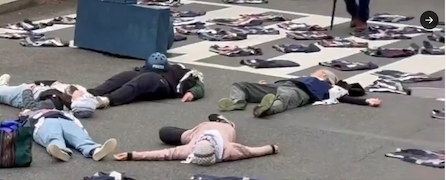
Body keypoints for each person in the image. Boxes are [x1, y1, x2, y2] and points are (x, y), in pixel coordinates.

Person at [217, 69, 382, 118]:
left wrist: (367, 102)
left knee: (283, 99)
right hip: (278, 87)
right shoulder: (301, 78)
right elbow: (281, 84)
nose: (314, 72)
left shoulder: (328, 87)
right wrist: (264, 85)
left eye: (318, 72)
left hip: (299, 93)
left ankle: (265, 109)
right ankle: (237, 101)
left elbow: (345, 98)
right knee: (240, 85)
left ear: (324, 77)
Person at [113, 115, 278, 163]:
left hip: (221, 131)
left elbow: (253, 151)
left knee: (167, 135)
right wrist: (130, 154)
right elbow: (163, 153)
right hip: (197, 131)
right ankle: (220, 121)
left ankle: (222, 121)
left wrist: (271, 148)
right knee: (164, 133)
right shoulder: (190, 148)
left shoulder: (229, 150)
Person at [0, 74, 99, 118]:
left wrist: (28, 90)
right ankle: (1, 86)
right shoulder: (72, 92)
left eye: (83, 96)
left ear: (76, 101)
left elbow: (31, 107)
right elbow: (54, 84)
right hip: (33, 88)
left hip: (21, 95)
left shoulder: (55, 104)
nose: (84, 93)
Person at [88, 52, 204, 108]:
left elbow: (199, 84)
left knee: (148, 79)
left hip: (164, 85)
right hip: (147, 78)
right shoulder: (143, 69)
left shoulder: (178, 70)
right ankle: (90, 93)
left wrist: (192, 93)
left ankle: (106, 100)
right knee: (126, 76)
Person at [19, 106, 118, 162]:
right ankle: (59, 150)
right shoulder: (27, 118)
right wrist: (25, 115)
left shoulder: (62, 111)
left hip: (65, 120)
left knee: (80, 137)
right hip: (45, 122)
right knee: (53, 136)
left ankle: (95, 150)